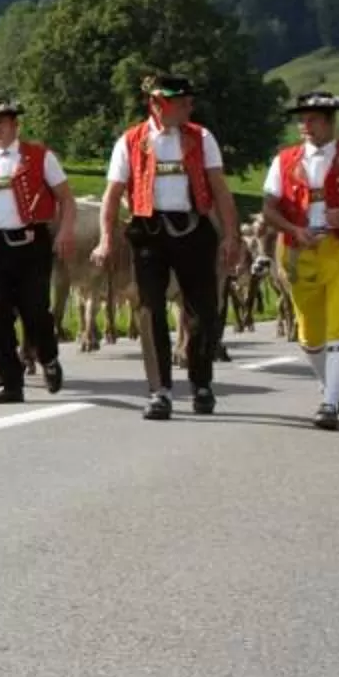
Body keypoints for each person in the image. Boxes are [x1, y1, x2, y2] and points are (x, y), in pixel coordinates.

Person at [92, 72, 242, 422]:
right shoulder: (129, 142)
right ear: (159, 104)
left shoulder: (202, 138)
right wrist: (106, 239)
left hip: (193, 228)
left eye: (191, 101)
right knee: (149, 309)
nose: (191, 107)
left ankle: (201, 382)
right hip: (148, 231)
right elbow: (112, 195)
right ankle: (159, 391)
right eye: (183, 102)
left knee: (202, 310)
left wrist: (232, 235)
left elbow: (220, 189)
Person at [257, 90, 339, 430]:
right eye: (302, 120)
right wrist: (293, 229)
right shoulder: (283, 160)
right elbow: (268, 209)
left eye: (313, 119)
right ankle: (328, 384)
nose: (306, 126)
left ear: (330, 122)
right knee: (309, 333)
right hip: (299, 251)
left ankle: (330, 402)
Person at [0, 97, 71, 405]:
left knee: (35, 311)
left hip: (32, 244)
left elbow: (66, 199)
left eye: (1, 122)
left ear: (15, 125)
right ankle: (9, 383)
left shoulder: (40, 157)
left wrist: (64, 232)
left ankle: (48, 357)